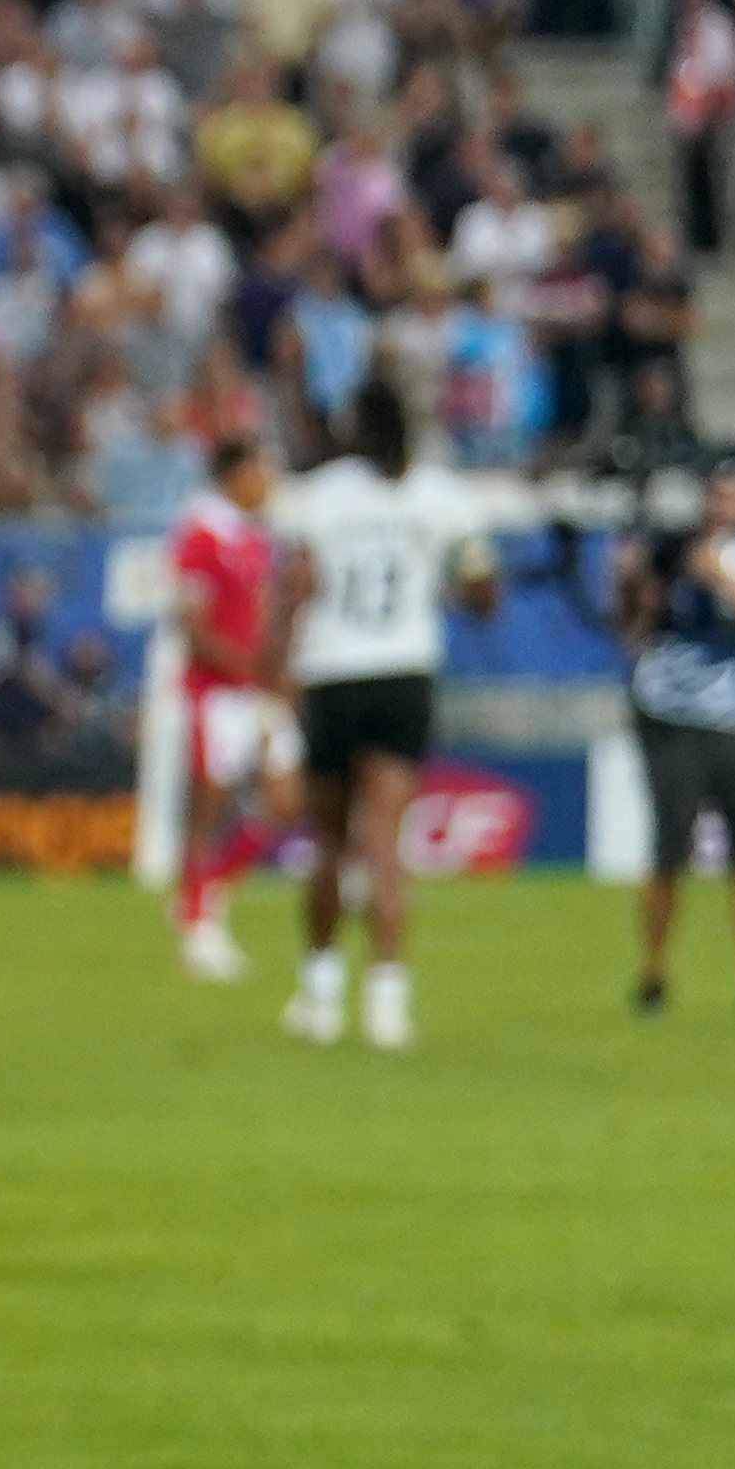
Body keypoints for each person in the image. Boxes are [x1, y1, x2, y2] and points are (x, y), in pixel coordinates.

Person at [270, 374, 501, 1052]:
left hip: (333, 672)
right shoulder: (442, 496)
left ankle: (318, 994)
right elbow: (482, 592)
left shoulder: (318, 498)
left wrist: (273, 687)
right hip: (404, 672)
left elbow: (295, 591)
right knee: (384, 842)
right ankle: (386, 1002)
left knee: (330, 846)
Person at [616, 448, 735, 1016]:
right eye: (715, 491)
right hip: (672, 713)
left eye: (733, 493)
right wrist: (632, 584)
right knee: (670, 848)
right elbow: (633, 625)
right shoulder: (671, 548)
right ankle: (653, 973)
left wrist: (728, 581)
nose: (721, 503)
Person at [165, 429, 293, 983]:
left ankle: (204, 893)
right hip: (216, 694)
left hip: (256, 690)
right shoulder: (200, 534)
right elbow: (191, 628)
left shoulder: (254, 536)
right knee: (209, 810)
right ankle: (199, 930)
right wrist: (248, 668)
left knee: (285, 801)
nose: (268, 483)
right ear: (235, 474)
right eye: (261, 470)